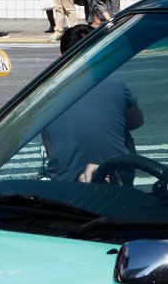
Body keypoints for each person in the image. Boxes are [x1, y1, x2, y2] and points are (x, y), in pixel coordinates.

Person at [43, 24, 144, 183]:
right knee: (124, 134)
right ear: (98, 54)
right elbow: (137, 121)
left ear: (61, 55)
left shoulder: (47, 94)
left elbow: (49, 146)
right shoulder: (116, 86)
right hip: (115, 179)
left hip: (65, 184)